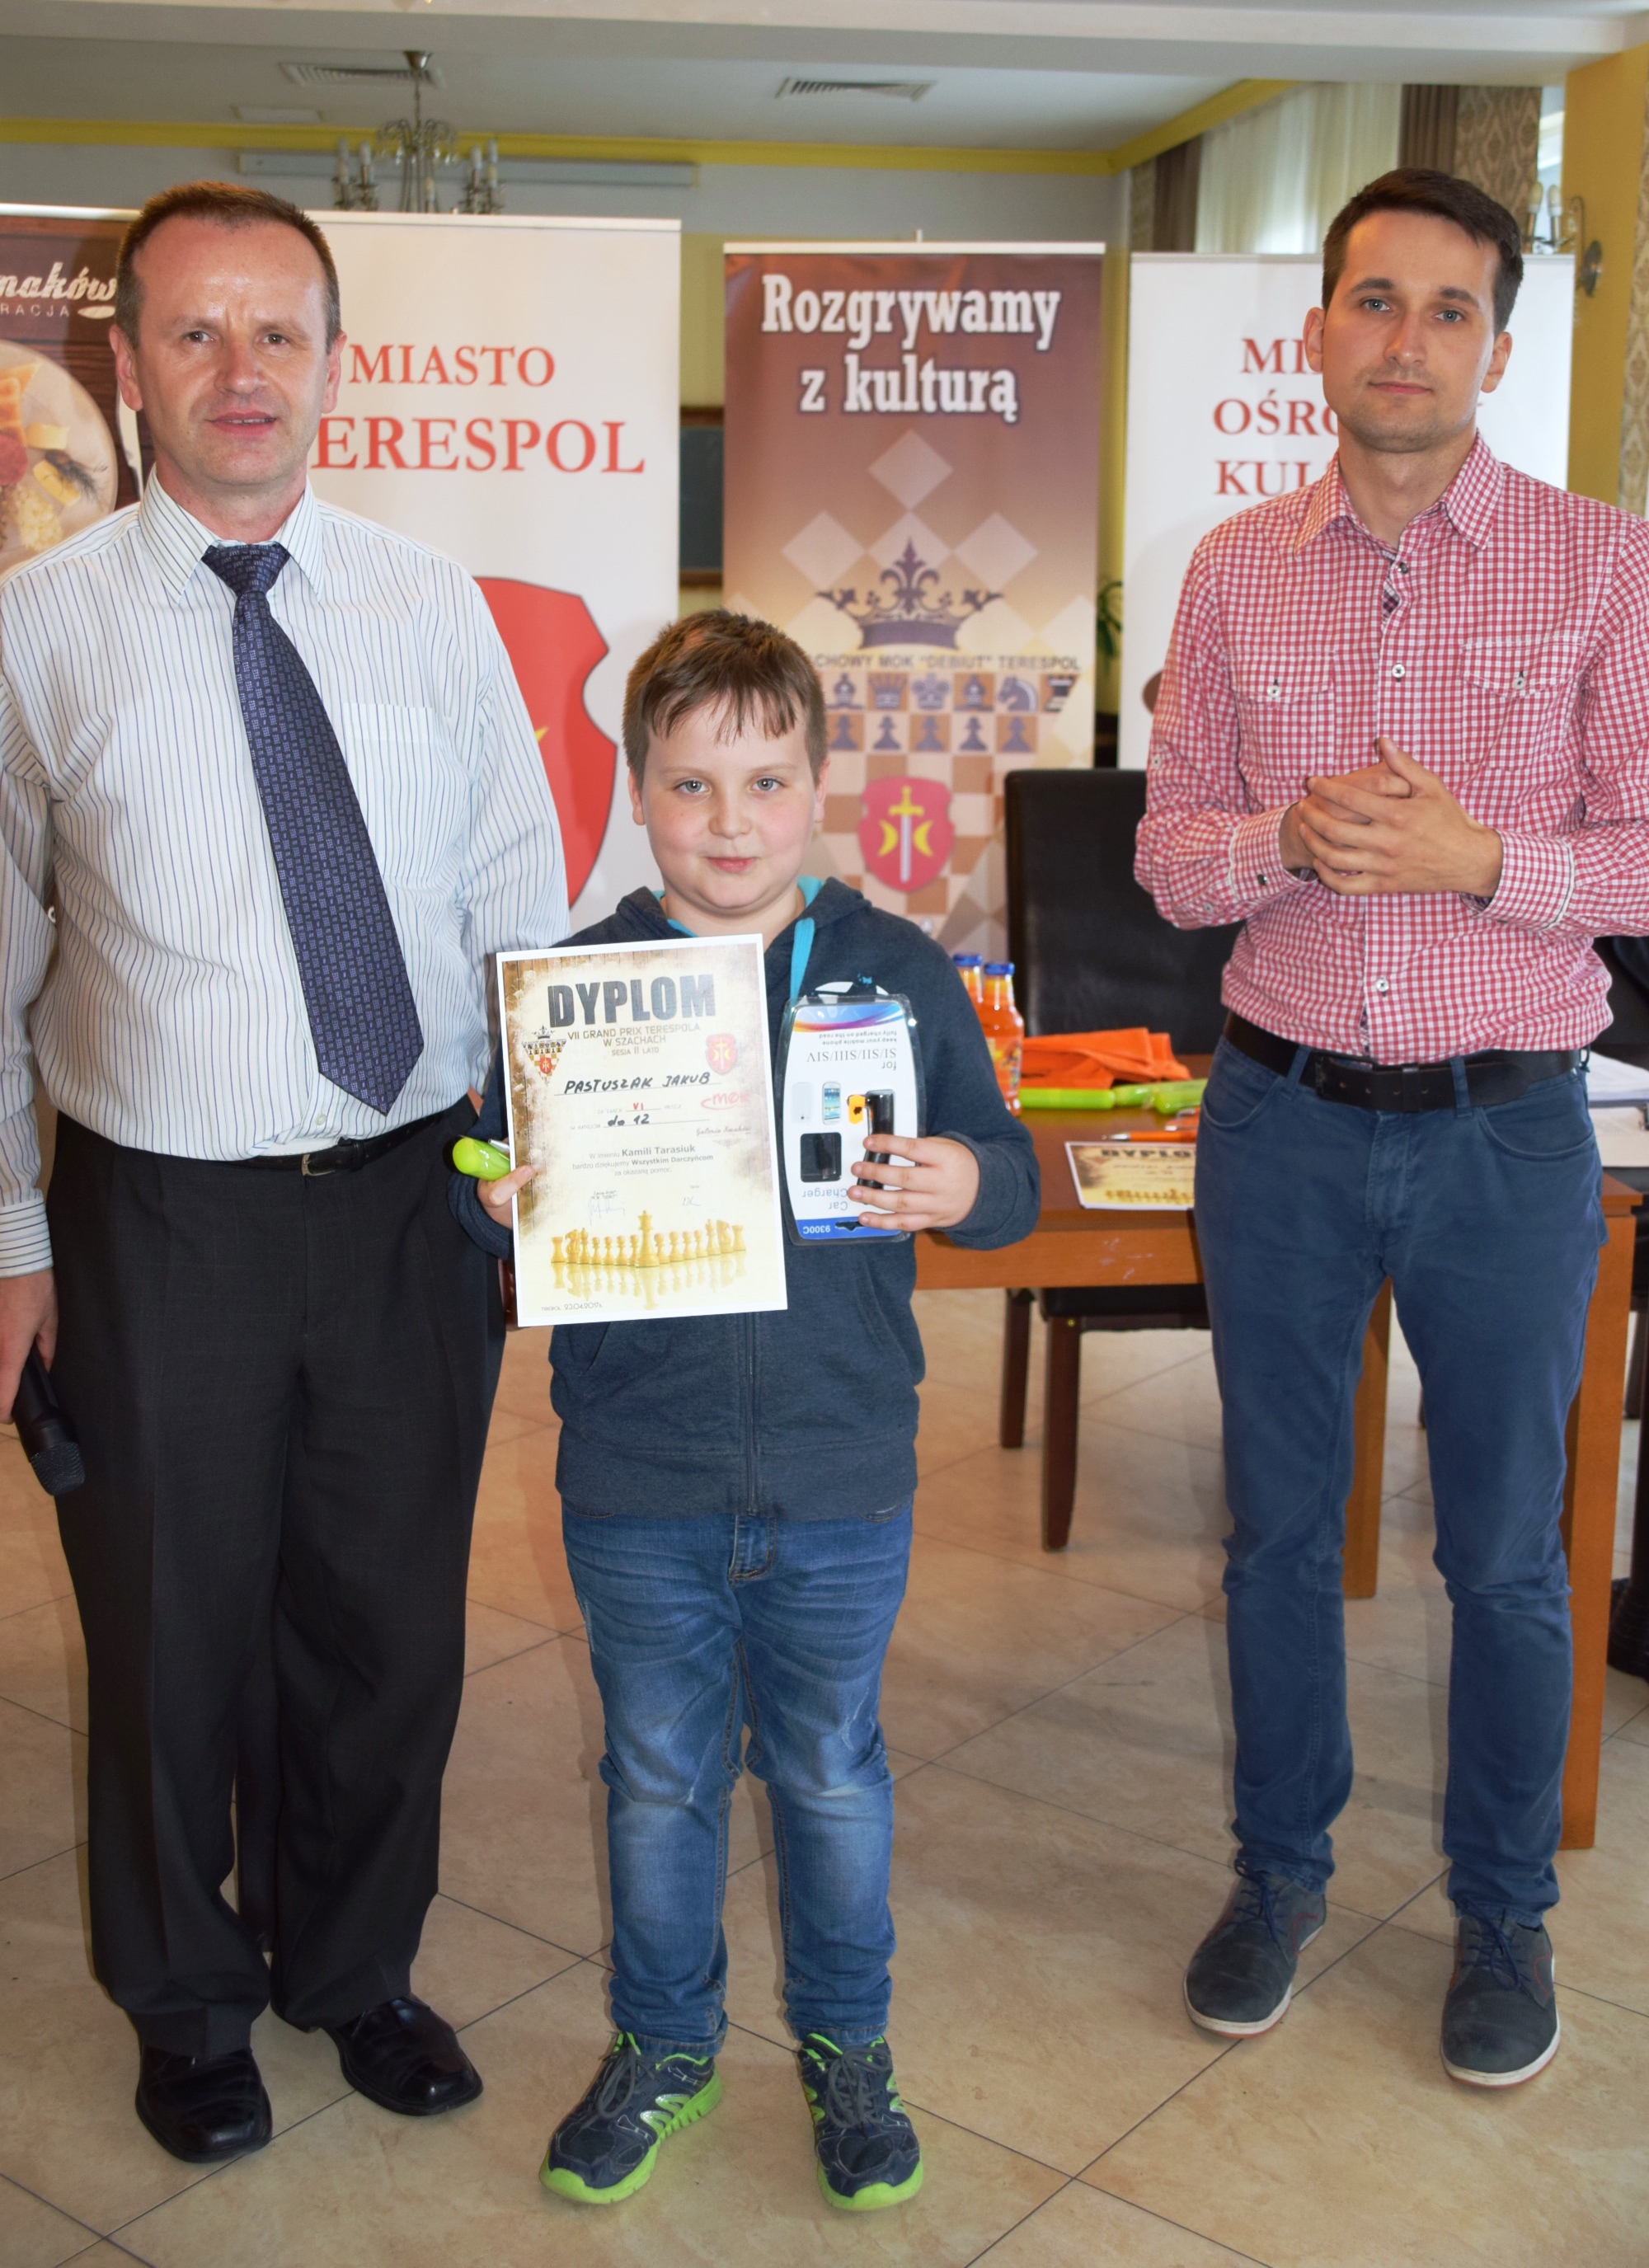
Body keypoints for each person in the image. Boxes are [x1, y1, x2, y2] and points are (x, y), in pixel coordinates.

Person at [0, 182, 566, 2161]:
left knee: (387, 1623)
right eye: (195, 330)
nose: (240, 371)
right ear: (127, 363)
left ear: (337, 362)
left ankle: (353, 1967)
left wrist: (551, 1166)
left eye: (279, 331)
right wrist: (10, 1240)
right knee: (171, 1630)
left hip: (412, 1197)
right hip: (161, 1218)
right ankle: (186, 2003)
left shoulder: (434, 606)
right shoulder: (36, 633)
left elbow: (519, 904)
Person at [1138, 167, 1649, 2088]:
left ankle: (1501, 1910)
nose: (1406, 340)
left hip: (1504, 1132)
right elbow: (1168, 858)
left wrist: (1480, 857)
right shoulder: (1232, 567)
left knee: (1506, 1551)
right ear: (1317, 332)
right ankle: (1278, 1874)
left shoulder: (1604, 564)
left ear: (1497, 350)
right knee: (1275, 1532)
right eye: (1374, 300)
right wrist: (1280, 836)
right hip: (1274, 1117)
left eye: (1449, 310)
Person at [452, 611, 1038, 2209]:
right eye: (692, 784)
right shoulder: (577, 983)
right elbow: (480, 1175)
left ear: (817, 786)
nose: (730, 822)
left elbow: (1009, 1177)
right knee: (657, 1776)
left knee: (832, 1770)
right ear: (639, 791)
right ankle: (665, 2041)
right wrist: (492, 1196)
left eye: (766, 781)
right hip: (636, 1471)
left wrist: (966, 1178)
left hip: (843, 1468)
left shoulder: (899, 968)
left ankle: (849, 2043)